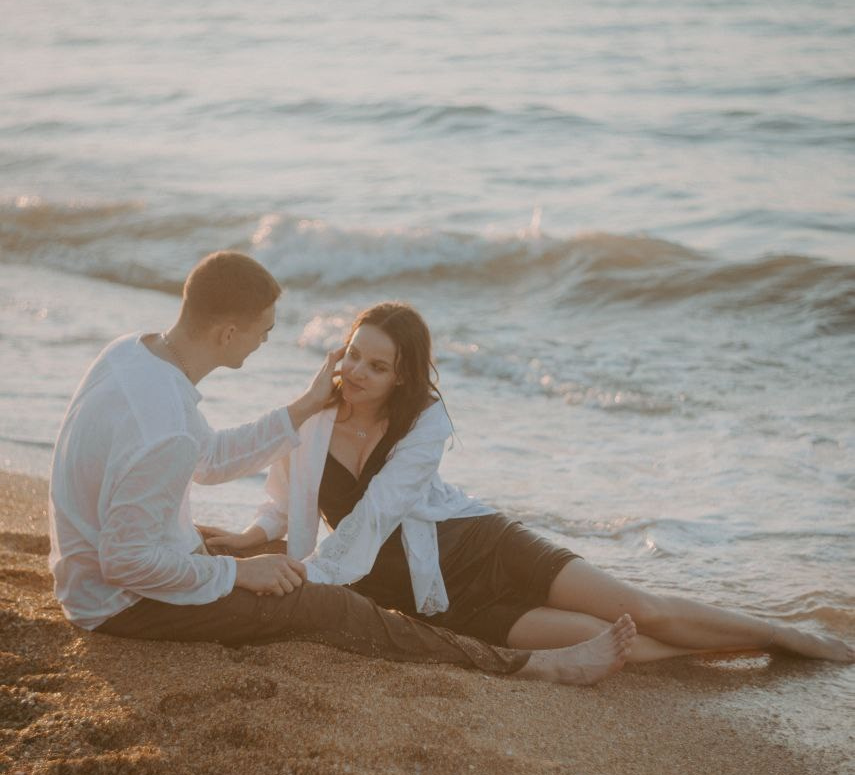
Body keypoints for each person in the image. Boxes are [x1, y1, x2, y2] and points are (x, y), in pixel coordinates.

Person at [48, 252, 636, 687]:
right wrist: (237, 575)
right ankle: (532, 666)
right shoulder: (166, 431)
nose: (265, 341)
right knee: (328, 606)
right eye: (264, 329)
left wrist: (304, 407)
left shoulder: (133, 353)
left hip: (95, 566)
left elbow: (207, 460)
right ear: (229, 330)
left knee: (255, 553)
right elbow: (125, 562)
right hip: (120, 603)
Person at [205, 301, 855, 668]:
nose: (357, 371)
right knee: (614, 644)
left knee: (639, 608)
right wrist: (251, 536)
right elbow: (281, 494)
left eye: (377, 364)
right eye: (351, 355)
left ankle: (783, 634)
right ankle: (747, 647)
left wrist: (303, 580)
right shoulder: (310, 419)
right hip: (437, 601)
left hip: (483, 547)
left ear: (403, 377)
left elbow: (373, 519)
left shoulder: (425, 421)